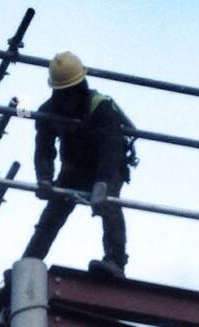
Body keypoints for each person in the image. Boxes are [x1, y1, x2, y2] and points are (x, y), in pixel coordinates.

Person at [24, 50, 129, 279]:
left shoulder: (100, 106)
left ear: (80, 86)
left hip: (106, 166)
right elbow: (44, 150)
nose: (68, 99)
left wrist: (102, 182)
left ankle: (115, 261)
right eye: (63, 93)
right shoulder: (48, 112)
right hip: (74, 169)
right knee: (53, 213)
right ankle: (29, 265)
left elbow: (111, 149)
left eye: (72, 92)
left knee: (109, 203)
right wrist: (44, 179)